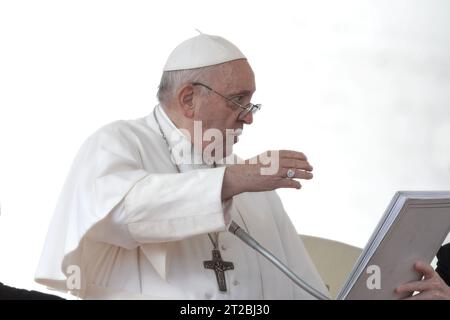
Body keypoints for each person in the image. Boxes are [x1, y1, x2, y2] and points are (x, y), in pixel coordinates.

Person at [35, 33, 328, 299]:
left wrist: (237, 178)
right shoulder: (117, 142)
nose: (248, 117)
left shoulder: (254, 184)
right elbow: (120, 212)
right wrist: (231, 181)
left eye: (251, 103)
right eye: (239, 101)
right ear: (189, 99)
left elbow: (305, 289)